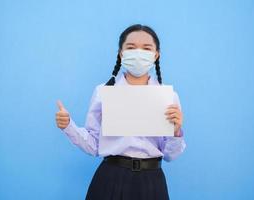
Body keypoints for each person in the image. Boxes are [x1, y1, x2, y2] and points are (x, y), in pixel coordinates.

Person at [55, 24, 186, 200]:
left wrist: (176, 131)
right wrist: (68, 126)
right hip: (111, 178)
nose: (138, 53)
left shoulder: (168, 97)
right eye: (131, 47)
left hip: (152, 181)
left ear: (156, 55)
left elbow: (170, 155)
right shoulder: (104, 91)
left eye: (146, 48)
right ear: (121, 53)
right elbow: (94, 145)